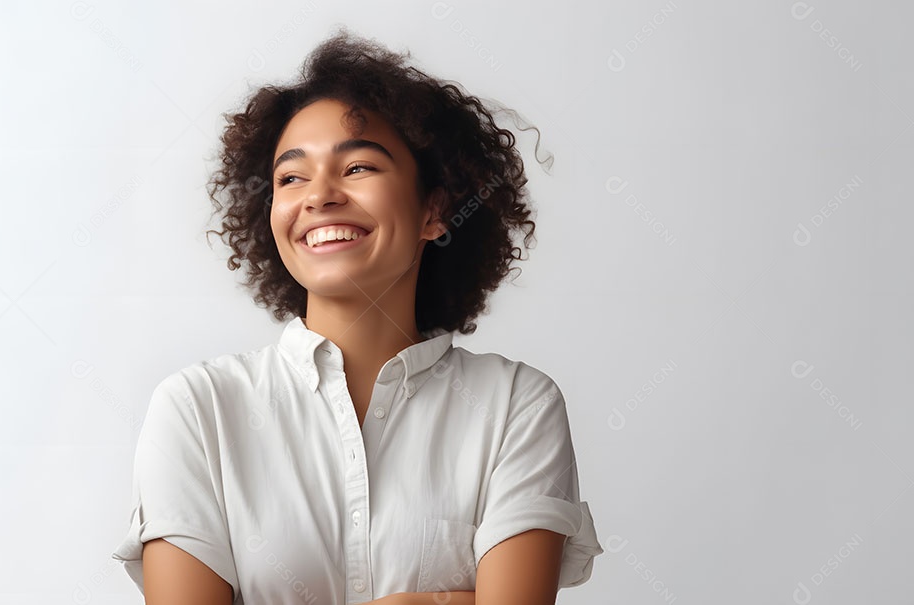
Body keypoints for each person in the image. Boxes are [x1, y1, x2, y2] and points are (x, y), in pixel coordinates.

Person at [112, 26, 603, 604]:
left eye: (358, 168)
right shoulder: (198, 411)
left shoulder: (516, 405)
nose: (318, 196)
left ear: (434, 211)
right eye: (290, 177)